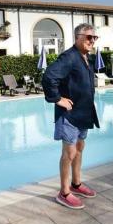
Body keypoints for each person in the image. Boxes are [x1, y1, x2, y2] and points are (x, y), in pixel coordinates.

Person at [42, 23, 100, 209]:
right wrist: (57, 99)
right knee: (70, 152)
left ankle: (76, 183)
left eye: (94, 37)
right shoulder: (69, 57)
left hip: (83, 112)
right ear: (78, 37)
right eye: (89, 37)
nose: (92, 41)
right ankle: (64, 192)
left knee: (80, 147)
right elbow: (49, 76)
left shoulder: (85, 58)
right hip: (69, 114)